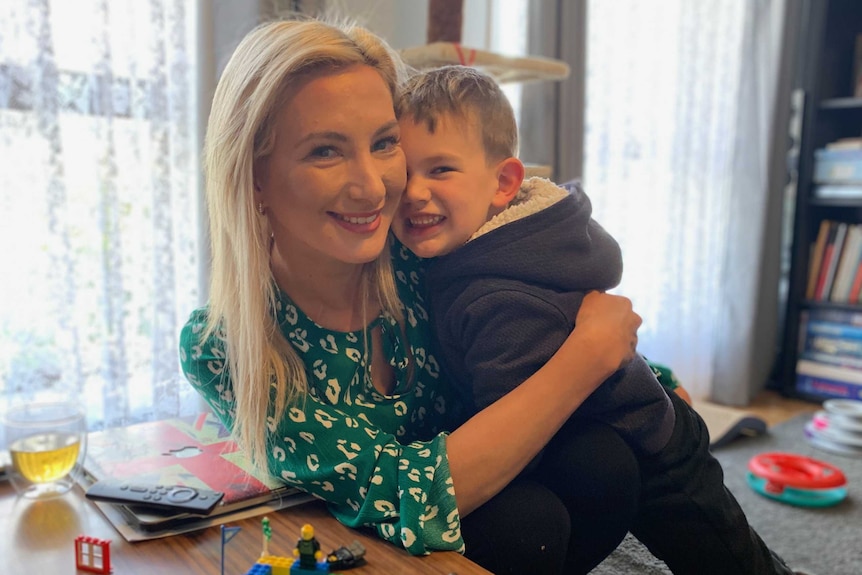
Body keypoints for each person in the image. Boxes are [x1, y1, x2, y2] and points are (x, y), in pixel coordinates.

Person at [179, 17, 645, 575]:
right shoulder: (226, 345)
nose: (374, 186)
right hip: (359, 538)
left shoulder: (422, 251)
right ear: (254, 177)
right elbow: (409, 495)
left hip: (490, 477)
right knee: (526, 527)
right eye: (326, 151)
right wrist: (586, 359)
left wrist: (648, 378)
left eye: (383, 144)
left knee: (605, 464)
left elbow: (535, 321)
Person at [391, 64, 797, 574]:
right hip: (615, 429)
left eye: (440, 170)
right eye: (403, 173)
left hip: (654, 450)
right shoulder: (490, 248)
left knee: (725, 555)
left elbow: (516, 434)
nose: (413, 192)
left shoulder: (496, 298)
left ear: (504, 183)